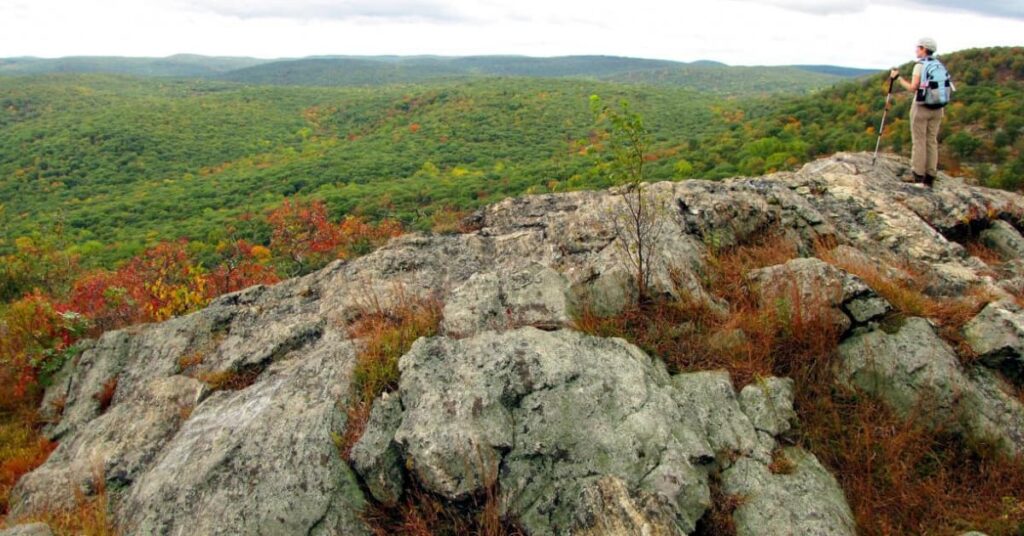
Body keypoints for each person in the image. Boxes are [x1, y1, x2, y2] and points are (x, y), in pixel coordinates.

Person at [890, 37, 946, 187]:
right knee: (931, 140)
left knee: (919, 140)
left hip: (921, 107)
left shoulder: (920, 65)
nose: (916, 50)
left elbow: (913, 87)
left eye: (918, 47)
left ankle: (917, 174)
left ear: (923, 49)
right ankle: (930, 176)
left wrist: (898, 78)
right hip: (938, 108)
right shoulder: (938, 65)